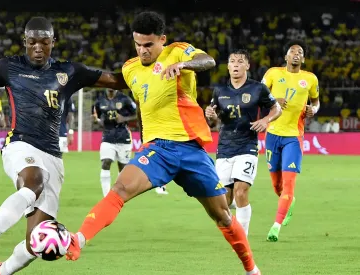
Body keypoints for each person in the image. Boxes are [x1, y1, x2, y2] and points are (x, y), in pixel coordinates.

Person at [0, 16, 129, 275]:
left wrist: (149, 67)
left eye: (44, 42)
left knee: (37, 243)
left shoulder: (69, 72)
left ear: (54, 42)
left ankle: (2, 270)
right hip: (20, 144)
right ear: (25, 42)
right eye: (32, 42)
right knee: (33, 181)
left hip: (53, 155)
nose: (38, 47)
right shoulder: (7, 68)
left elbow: (117, 80)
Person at [65, 12, 261, 275]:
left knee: (223, 216)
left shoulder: (178, 52)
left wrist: (185, 66)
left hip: (191, 149)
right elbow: (125, 91)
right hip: (158, 150)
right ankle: (79, 240)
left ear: (162, 40)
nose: (143, 51)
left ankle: (252, 269)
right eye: (138, 44)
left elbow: (208, 60)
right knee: (121, 187)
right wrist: (75, 74)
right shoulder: (131, 68)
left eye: (148, 45)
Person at [205, 49, 282, 237]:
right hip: (224, 147)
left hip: (247, 146)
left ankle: (242, 237)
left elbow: (276, 108)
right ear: (228, 66)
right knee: (225, 199)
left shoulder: (257, 88)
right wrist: (211, 117)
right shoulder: (219, 91)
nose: (236, 65)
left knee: (241, 192)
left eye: (240, 61)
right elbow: (214, 123)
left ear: (247, 65)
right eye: (232, 61)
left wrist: (265, 121)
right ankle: (234, 226)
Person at [261, 40, 320, 242]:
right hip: (272, 135)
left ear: (303, 59)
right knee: (277, 186)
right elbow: (257, 95)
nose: (296, 54)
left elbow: (316, 102)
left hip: (294, 138)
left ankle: (276, 226)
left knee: (288, 184)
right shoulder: (273, 74)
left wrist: (314, 110)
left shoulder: (310, 79)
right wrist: (273, 101)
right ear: (285, 57)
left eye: (300, 52)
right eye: (292, 51)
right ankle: (289, 202)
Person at [92, 89, 137, 197]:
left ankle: (118, 193)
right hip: (107, 137)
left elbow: (137, 114)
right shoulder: (99, 101)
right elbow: (99, 118)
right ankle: (106, 195)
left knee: (122, 168)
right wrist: (97, 121)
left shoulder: (125, 99)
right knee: (106, 162)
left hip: (123, 137)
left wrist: (124, 118)